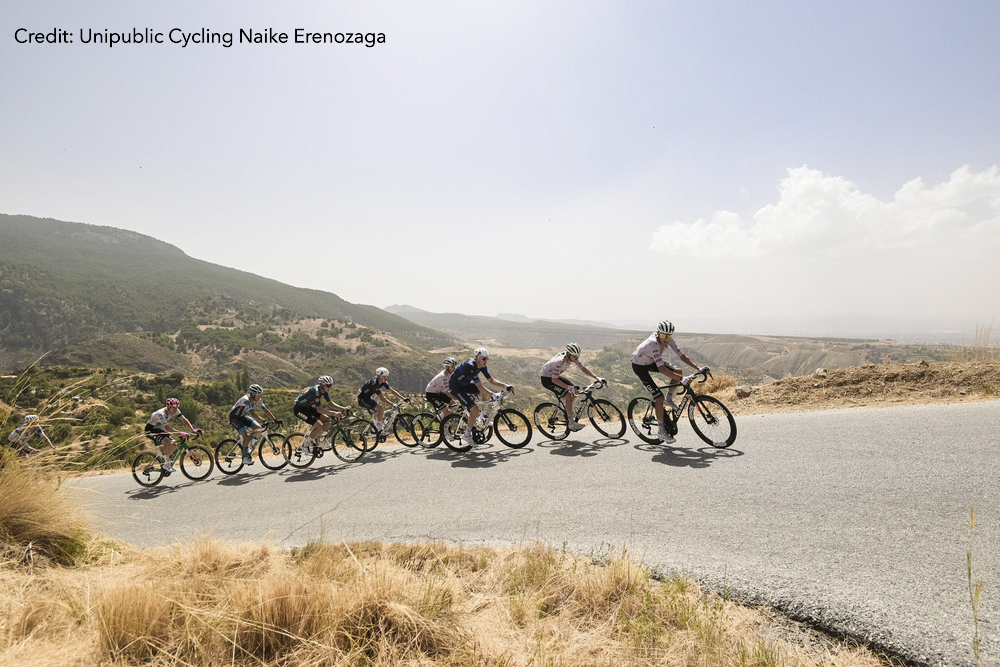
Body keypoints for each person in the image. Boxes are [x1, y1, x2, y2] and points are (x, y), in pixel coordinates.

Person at [630, 320, 709, 444]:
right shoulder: (652, 344)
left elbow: (682, 356)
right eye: (664, 336)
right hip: (639, 367)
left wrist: (698, 368)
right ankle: (661, 432)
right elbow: (661, 369)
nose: (666, 339)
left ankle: (669, 399)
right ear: (658, 333)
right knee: (659, 397)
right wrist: (681, 380)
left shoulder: (669, 340)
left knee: (679, 371)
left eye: (669, 336)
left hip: (650, 362)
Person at [448, 347, 514, 446]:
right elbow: (479, 386)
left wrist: (506, 386)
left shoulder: (483, 366)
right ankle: (467, 434)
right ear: (477, 358)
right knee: (474, 409)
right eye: (483, 358)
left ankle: (483, 415)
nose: (485, 361)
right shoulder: (470, 366)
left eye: (487, 358)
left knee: (484, 394)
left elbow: (491, 380)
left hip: (465, 385)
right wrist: (493, 395)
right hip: (456, 388)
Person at [540, 343, 604, 431]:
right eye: (575, 356)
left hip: (554, 377)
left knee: (576, 391)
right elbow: (554, 380)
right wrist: (569, 388)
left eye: (578, 356)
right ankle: (571, 423)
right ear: (569, 354)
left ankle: (568, 412)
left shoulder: (572, 357)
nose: (577, 358)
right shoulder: (559, 361)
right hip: (547, 380)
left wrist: (597, 377)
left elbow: (583, 368)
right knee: (569, 396)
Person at [293, 375, 351, 454]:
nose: (330, 387)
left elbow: (331, 404)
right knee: (319, 426)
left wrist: (343, 408)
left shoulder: (324, 390)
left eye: (331, 385)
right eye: (328, 385)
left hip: (307, 407)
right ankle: (304, 446)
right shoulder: (315, 391)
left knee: (326, 419)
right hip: (299, 409)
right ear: (322, 385)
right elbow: (319, 409)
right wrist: (334, 413)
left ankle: (324, 442)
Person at [228, 384, 280, 466]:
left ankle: (246, 445)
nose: (260, 396)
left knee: (259, 428)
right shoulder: (245, 400)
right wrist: (264, 420)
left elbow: (265, 409)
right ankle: (245, 458)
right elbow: (253, 414)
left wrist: (275, 419)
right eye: (258, 394)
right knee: (246, 435)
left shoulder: (257, 399)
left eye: (260, 394)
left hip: (243, 417)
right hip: (235, 418)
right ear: (252, 394)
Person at [145, 398, 200, 473]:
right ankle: (166, 464)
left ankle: (165, 460)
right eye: (174, 408)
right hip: (150, 430)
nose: (175, 409)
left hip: (159, 429)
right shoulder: (161, 414)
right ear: (168, 407)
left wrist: (192, 429)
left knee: (174, 444)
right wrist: (180, 432)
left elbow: (183, 419)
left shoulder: (175, 410)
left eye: (177, 407)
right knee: (167, 442)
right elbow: (167, 427)